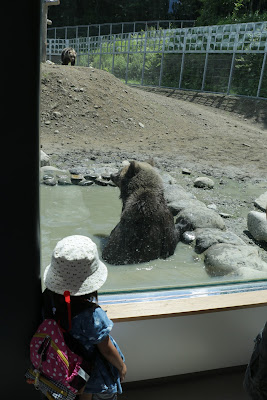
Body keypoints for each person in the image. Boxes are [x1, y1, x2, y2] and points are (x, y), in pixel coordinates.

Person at [42, 234, 127, 400]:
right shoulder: (92, 315)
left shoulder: (48, 300)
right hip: (95, 373)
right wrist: (121, 366)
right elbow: (106, 349)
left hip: (70, 369)